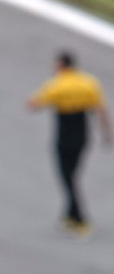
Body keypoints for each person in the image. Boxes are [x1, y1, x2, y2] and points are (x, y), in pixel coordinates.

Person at [29, 50, 113, 235]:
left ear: (60, 65)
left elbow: (33, 104)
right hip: (82, 135)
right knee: (72, 174)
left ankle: (80, 219)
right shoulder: (89, 83)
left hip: (64, 134)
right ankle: (68, 216)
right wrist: (108, 134)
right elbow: (101, 110)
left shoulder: (57, 85)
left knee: (66, 176)